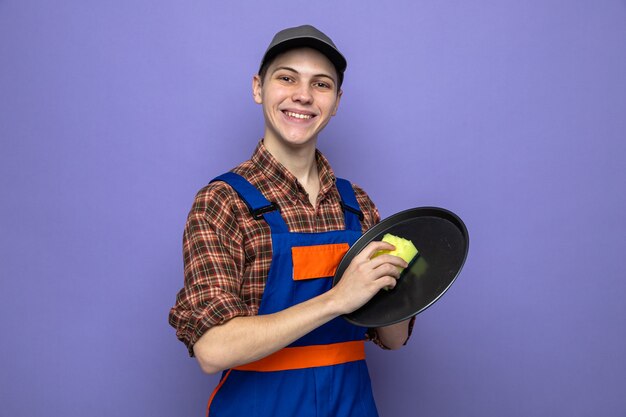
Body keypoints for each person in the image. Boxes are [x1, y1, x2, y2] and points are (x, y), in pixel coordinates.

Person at [169, 24, 414, 417]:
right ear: (258, 88)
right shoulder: (223, 202)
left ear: (336, 102)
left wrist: (409, 284)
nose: (303, 95)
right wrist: (338, 299)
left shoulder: (357, 204)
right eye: (286, 78)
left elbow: (394, 338)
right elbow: (213, 350)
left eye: (321, 84)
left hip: (352, 407)